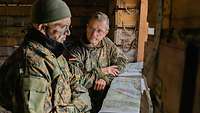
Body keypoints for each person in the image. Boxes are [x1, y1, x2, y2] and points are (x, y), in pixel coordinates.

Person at [0, 0, 91, 113]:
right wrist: (78, 106)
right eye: (63, 27)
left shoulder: (53, 53)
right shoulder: (31, 63)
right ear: (42, 27)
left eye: (69, 26)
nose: (68, 32)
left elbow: (75, 84)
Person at [64, 12, 128, 113]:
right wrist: (101, 71)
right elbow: (76, 82)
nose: (94, 34)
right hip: (83, 103)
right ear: (87, 27)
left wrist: (105, 78)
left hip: (104, 98)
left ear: (106, 32)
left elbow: (122, 60)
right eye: (91, 29)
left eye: (99, 31)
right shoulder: (75, 51)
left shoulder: (107, 43)